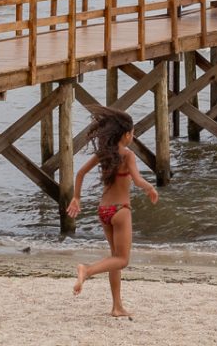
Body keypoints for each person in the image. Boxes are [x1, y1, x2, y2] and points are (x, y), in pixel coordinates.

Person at [67, 105, 159, 318]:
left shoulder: (104, 154)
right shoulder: (128, 155)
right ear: (126, 135)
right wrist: (150, 188)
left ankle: (117, 306)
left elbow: (80, 173)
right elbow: (137, 180)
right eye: (132, 133)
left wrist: (77, 198)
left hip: (104, 210)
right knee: (122, 260)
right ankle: (87, 270)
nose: (132, 136)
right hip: (120, 210)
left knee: (114, 259)